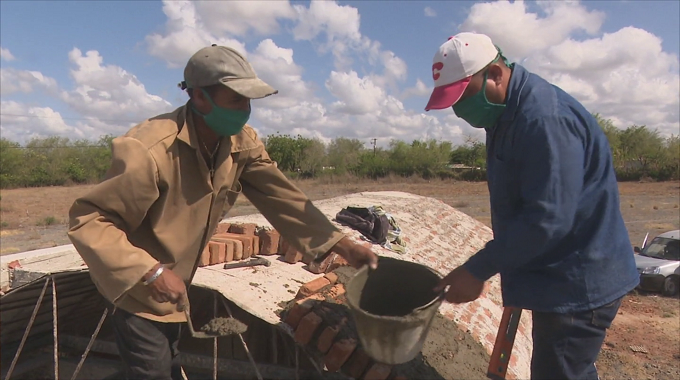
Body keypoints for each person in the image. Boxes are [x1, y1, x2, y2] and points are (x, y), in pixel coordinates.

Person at [67, 44, 378, 380]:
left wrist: (341, 244)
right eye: (236, 100)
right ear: (200, 98)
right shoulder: (149, 150)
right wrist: (151, 273)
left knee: (167, 362)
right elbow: (89, 221)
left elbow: (280, 196)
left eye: (248, 101)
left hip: (177, 284)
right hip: (136, 285)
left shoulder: (239, 142)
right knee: (153, 371)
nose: (245, 111)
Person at [426, 33, 639, 379]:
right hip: (553, 275)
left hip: (577, 283)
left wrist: (478, 268)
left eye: (463, 96)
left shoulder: (543, 120)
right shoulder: (505, 113)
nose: (458, 110)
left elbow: (548, 219)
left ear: (495, 73)